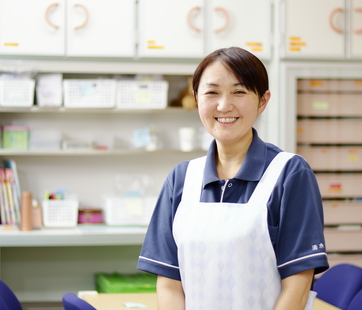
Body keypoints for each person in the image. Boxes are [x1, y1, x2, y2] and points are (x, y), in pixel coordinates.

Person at [137, 47, 329, 310]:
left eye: (239, 92)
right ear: (196, 99)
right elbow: (170, 281)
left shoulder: (289, 173)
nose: (224, 105)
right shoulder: (182, 179)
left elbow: (298, 281)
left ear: (263, 101)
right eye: (212, 92)